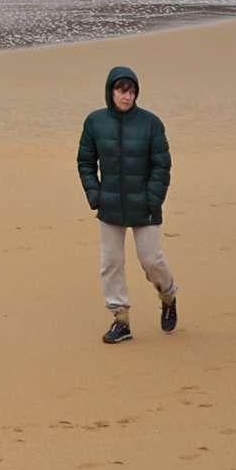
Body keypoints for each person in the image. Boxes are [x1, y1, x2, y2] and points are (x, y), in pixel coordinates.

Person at [77, 63, 176, 343]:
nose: (127, 96)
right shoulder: (95, 122)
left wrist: (153, 198)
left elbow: (162, 165)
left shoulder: (151, 123)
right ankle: (120, 319)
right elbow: (85, 161)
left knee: (151, 260)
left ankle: (168, 295)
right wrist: (94, 194)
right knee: (111, 262)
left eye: (131, 91)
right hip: (109, 206)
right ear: (111, 92)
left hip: (145, 206)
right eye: (121, 90)